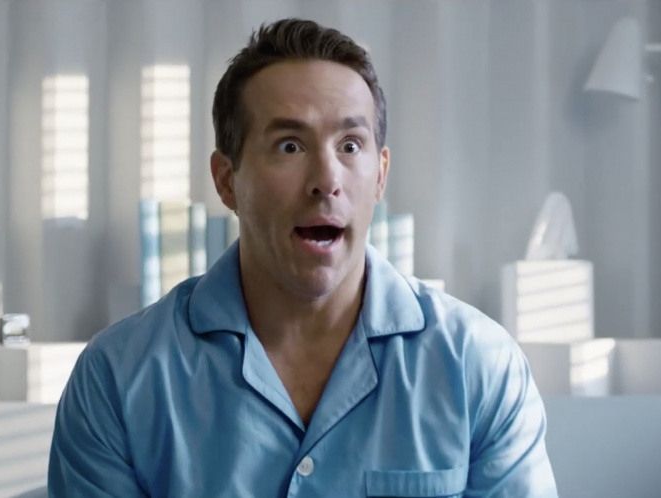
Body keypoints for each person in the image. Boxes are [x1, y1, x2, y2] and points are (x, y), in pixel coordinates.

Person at [48, 18, 557, 497]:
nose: (327, 180)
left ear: (380, 175)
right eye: (290, 146)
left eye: (350, 145)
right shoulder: (117, 379)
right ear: (226, 180)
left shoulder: (478, 367)